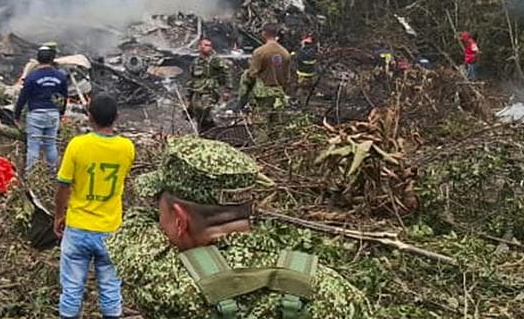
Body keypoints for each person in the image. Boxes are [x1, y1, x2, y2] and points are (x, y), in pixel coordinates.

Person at [113, 135, 368, 317]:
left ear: (180, 220)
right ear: (250, 210)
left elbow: (133, 227)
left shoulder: (164, 285)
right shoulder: (334, 291)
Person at [53, 94, 134, 319]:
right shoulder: (126, 148)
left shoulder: (77, 145)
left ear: (89, 117)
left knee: (71, 288)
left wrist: (59, 215)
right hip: (110, 229)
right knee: (110, 288)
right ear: (117, 117)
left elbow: (63, 186)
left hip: (78, 226)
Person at [14, 45, 69, 173]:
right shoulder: (60, 77)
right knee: (50, 145)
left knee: (33, 146)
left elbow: (22, 98)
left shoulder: (32, 77)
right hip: (53, 114)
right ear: (52, 59)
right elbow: (64, 97)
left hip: (36, 115)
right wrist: (61, 114)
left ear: (38, 59)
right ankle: (52, 171)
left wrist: (16, 115)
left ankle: (31, 175)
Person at [237, 26, 294, 111]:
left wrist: (243, 98)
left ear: (264, 33)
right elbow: (287, 78)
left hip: (262, 96)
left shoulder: (259, 52)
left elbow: (252, 75)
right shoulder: (285, 53)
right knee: (277, 122)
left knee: (261, 121)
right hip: (279, 95)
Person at [187, 37, 230, 134]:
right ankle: (202, 134)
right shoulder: (196, 62)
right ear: (199, 46)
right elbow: (191, 79)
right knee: (198, 115)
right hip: (197, 93)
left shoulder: (215, 60)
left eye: (210, 45)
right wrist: (188, 97)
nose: (208, 48)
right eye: (205, 45)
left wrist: (227, 90)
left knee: (207, 114)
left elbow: (226, 73)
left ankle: (214, 133)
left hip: (210, 92)